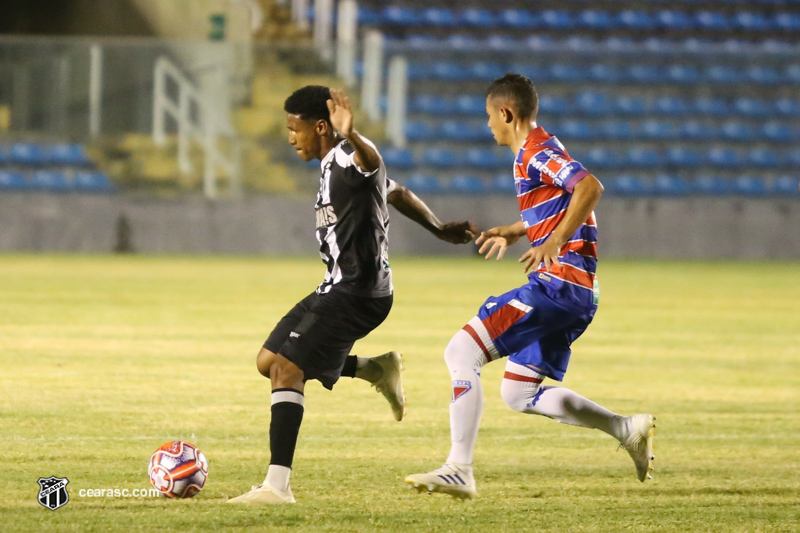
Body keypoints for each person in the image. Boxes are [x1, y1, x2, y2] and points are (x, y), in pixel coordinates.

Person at [405, 73, 656, 499]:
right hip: (578, 293)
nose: (488, 125)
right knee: (519, 392)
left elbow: (589, 187)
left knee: (461, 350)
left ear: (506, 113)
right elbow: (560, 200)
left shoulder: (536, 151)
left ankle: (458, 469)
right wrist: (521, 229)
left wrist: (554, 241)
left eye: (489, 116)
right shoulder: (539, 150)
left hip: (558, 285)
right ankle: (625, 428)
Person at [228, 85, 475, 505]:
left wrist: (354, 135)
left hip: (359, 292)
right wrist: (436, 227)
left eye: (296, 128)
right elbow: (394, 190)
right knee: (268, 362)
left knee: (288, 369)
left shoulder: (348, 156)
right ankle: (374, 369)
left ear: (321, 126)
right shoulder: (329, 165)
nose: (291, 137)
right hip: (337, 284)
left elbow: (372, 163)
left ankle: (277, 487)